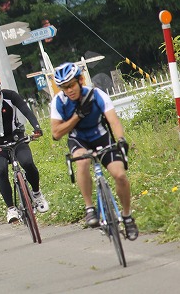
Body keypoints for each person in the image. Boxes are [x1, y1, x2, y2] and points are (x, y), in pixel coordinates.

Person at [50, 62, 138, 240]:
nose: (69, 91)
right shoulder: (59, 102)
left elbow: (113, 121)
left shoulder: (97, 95)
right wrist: (77, 116)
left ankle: (127, 216)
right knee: (82, 161)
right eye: (64, 88)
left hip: (101, 136)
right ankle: (90, 208)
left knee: (120, 175)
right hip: (78, 139)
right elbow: (56, 133)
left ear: (80, 80)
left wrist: (121, 140)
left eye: (71, 86)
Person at [0, 72, 49, 224]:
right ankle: (11, 208)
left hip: (16, 137)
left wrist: (37, 128)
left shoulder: (11, 96)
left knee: (27, 163)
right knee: (1, 171)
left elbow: (26, 111)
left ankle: (37, 193)